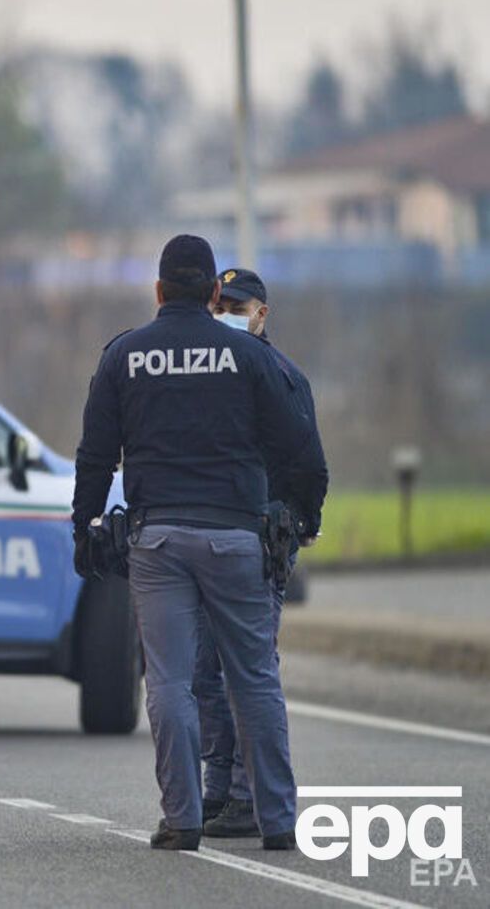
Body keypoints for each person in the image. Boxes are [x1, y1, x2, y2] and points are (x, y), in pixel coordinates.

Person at [71, 234, 320, 852]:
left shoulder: (124, 355)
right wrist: (301, 519)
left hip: (156, 541)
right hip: (237, 537)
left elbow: (96, 454)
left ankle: (182, 820)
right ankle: (279, 820)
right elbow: (303, 453)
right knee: (255, 678)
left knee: (170, 682)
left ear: (157, 291)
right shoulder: (252, 359)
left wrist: (84, 526)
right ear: (212, 293)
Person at [196, 268, 328, 838]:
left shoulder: (279, 374)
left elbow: (309, 464)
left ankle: (251, 798)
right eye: (220, 303)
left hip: (260, 539)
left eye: (238, 305)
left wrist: (299, 524)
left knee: (244, 674)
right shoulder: (207, 371)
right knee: (205, 672)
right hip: (211, 535)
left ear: (261, 313)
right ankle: (220, 788)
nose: (228, 312)